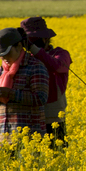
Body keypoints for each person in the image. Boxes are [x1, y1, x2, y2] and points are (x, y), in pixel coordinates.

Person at [0, 27, 49, 145]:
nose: (3, 57)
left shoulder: (35, 67)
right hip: (3, 138)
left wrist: (11, 94)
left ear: (19, 46)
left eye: (7, 52)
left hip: (29, 138)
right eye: (0, 54)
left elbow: (41, 98)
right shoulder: (2, 70)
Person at [21, 17, 72, 149]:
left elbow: (56, 65)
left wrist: (33, 49)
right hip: (29, 115)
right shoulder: (24, 57)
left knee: (56, 151)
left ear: (45, 38)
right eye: (29, 40)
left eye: (34, 39)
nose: (31, 43)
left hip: (53, 114)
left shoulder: (60, 54)